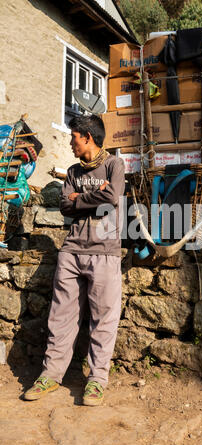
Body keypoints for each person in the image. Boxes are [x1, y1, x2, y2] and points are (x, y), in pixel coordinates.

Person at [24, 114, 125, 406]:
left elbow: (113, 198)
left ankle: (96, 381)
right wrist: (91, 196)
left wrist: (81, 197)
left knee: (103, 320)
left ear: (88, 137)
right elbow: (65, 205)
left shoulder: (114, 165)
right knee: (60, 317)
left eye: (74, 138)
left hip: (105, 251)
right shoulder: (71, 171)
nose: (70, 143)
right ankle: (50, 375)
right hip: (71, 251)